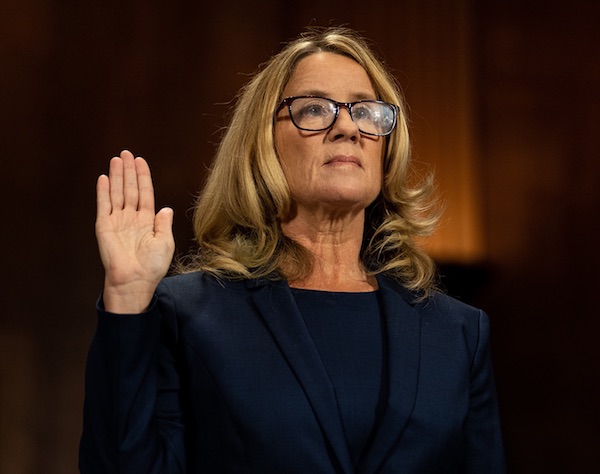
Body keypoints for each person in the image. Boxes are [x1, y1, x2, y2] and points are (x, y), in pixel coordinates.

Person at [80, 27, 506, 473]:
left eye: (366, 112)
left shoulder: (457, 333)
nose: (346, 127)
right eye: (315, 109)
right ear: (263, 143)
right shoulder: (190, 316)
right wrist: (126, 299)